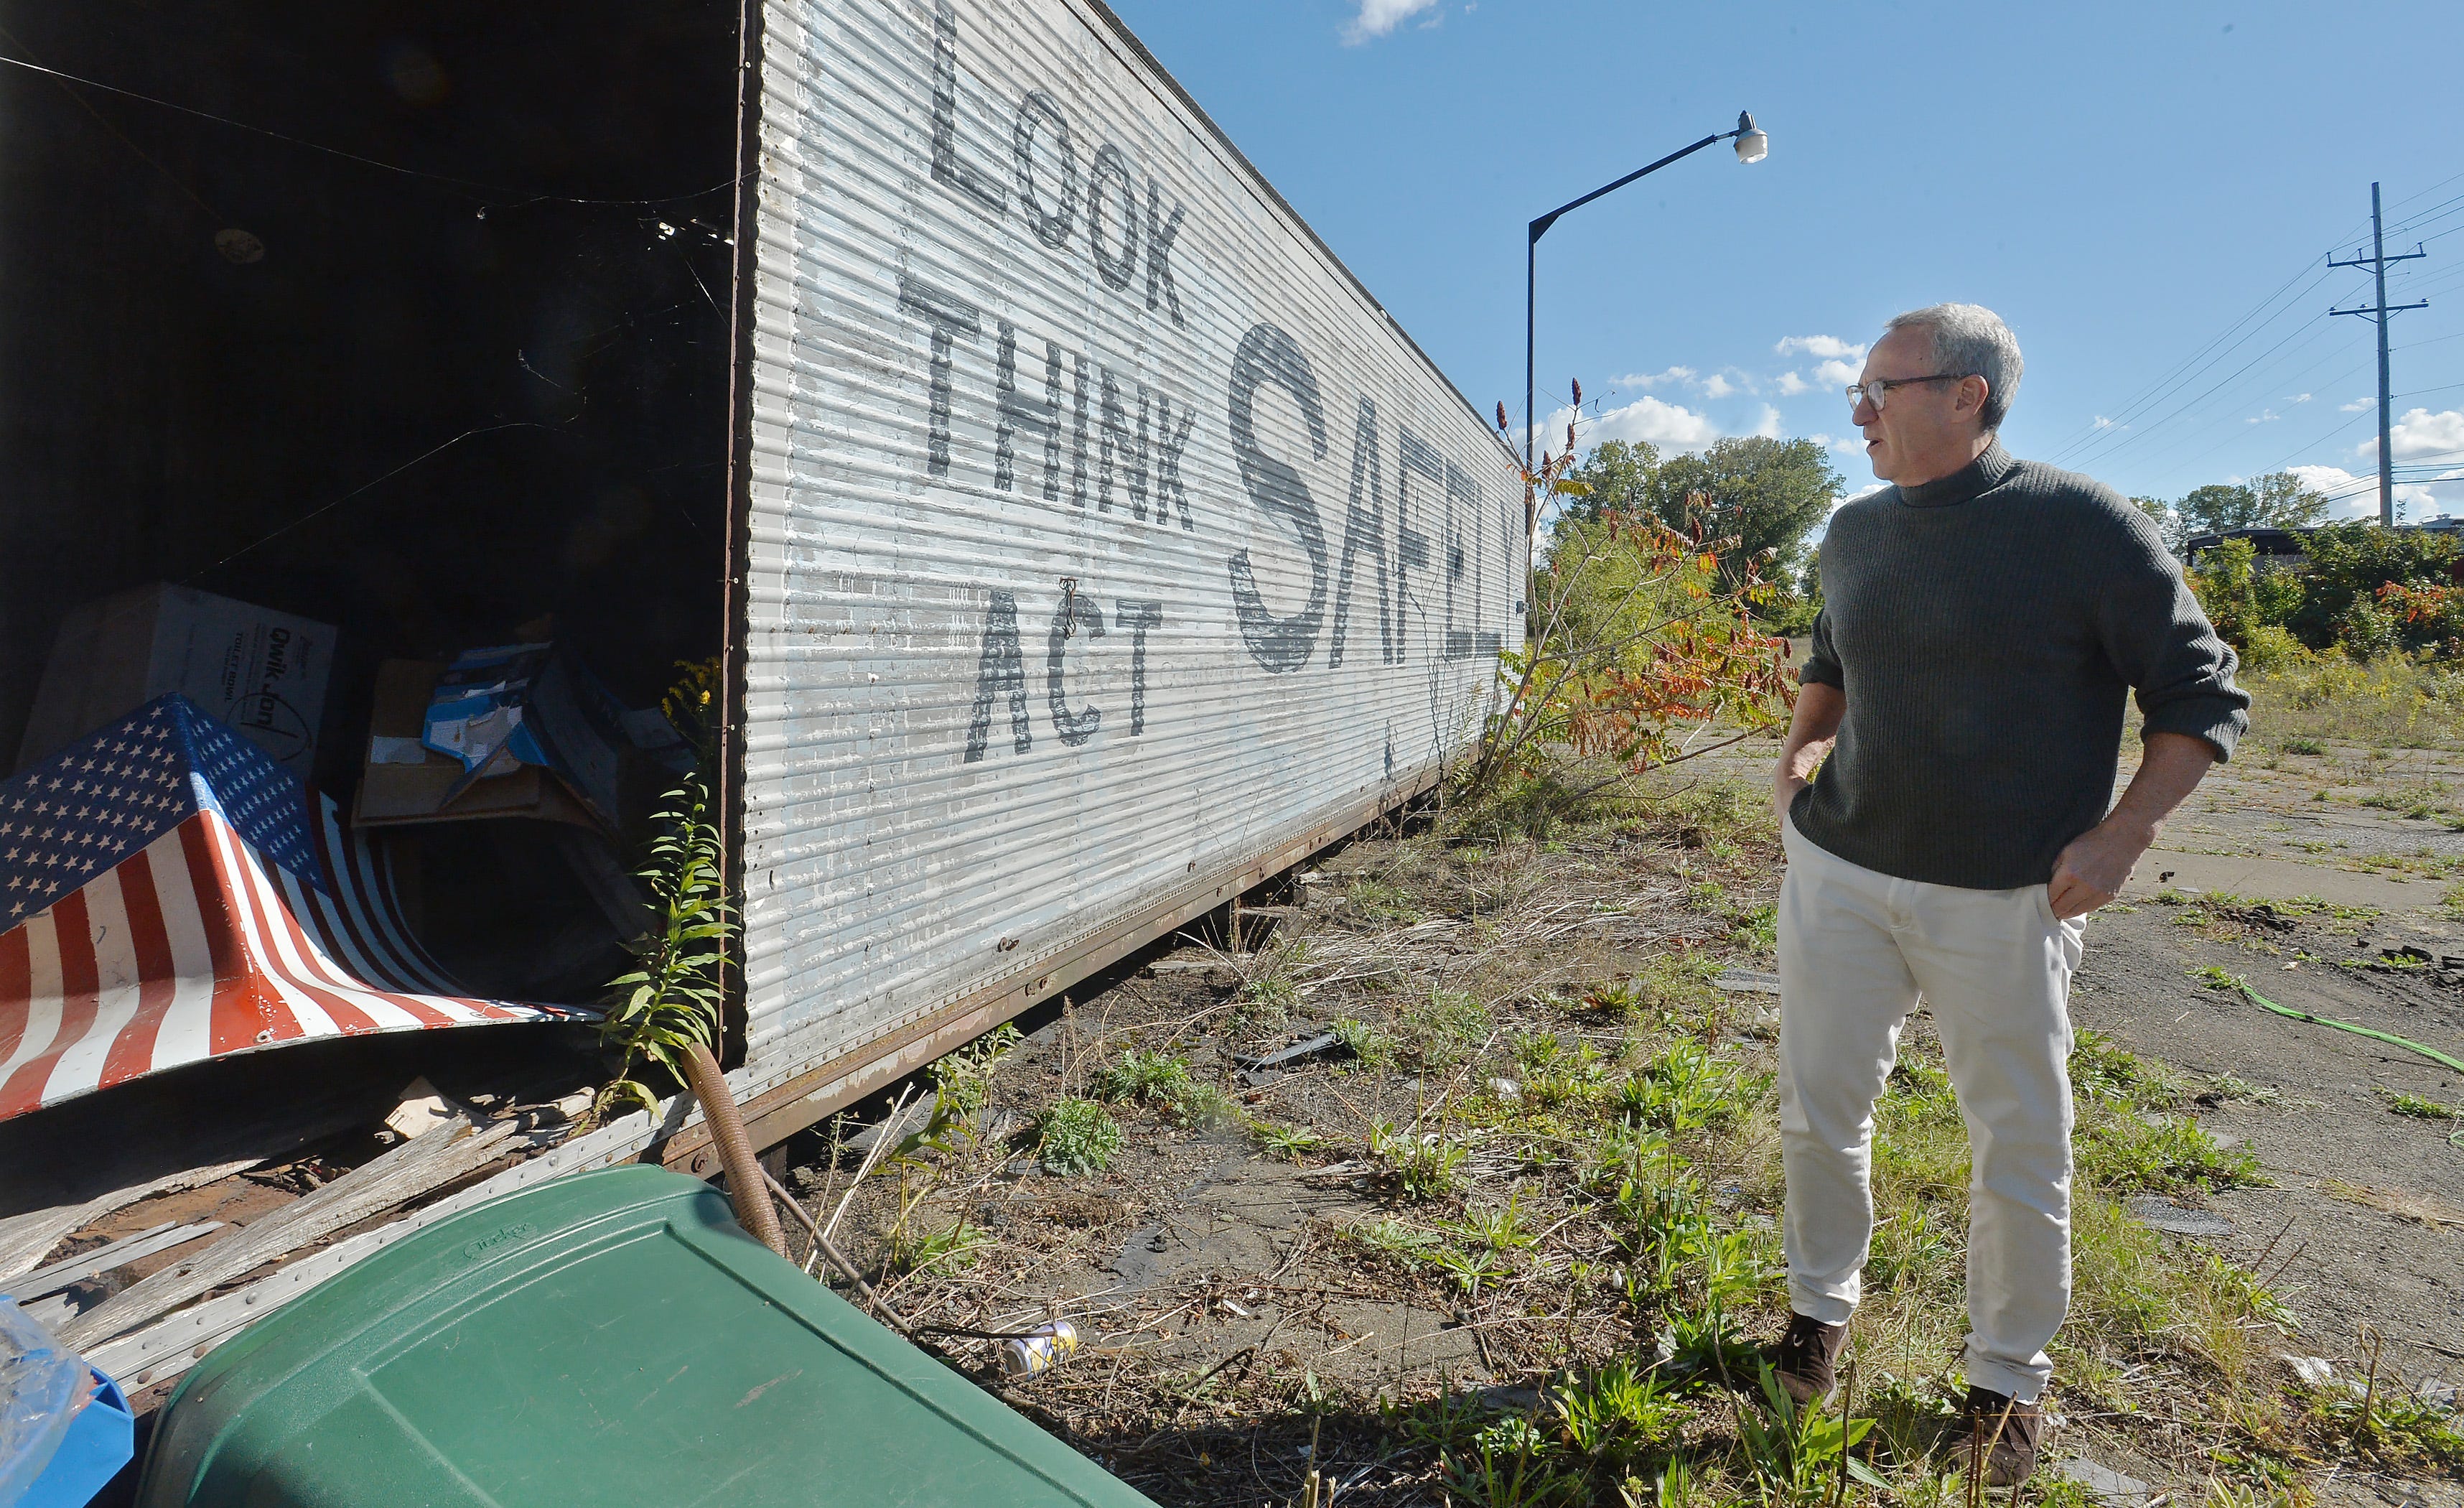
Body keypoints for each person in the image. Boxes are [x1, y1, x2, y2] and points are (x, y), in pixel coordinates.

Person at [1763, 303, 2247, 1484]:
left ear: (1966, 394)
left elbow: (2201, 695)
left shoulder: (2083, 525)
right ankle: (1816, 1320)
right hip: (1842, 873)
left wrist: (2126, 834)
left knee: (2019, 1142)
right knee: (1819, 1109)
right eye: (1857, 391)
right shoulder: (1853, 531)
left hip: (2005, 899)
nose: (1859, 413)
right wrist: (1797, 752)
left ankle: (2005, 1385)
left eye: (1880, 389)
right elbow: (1832, 659)